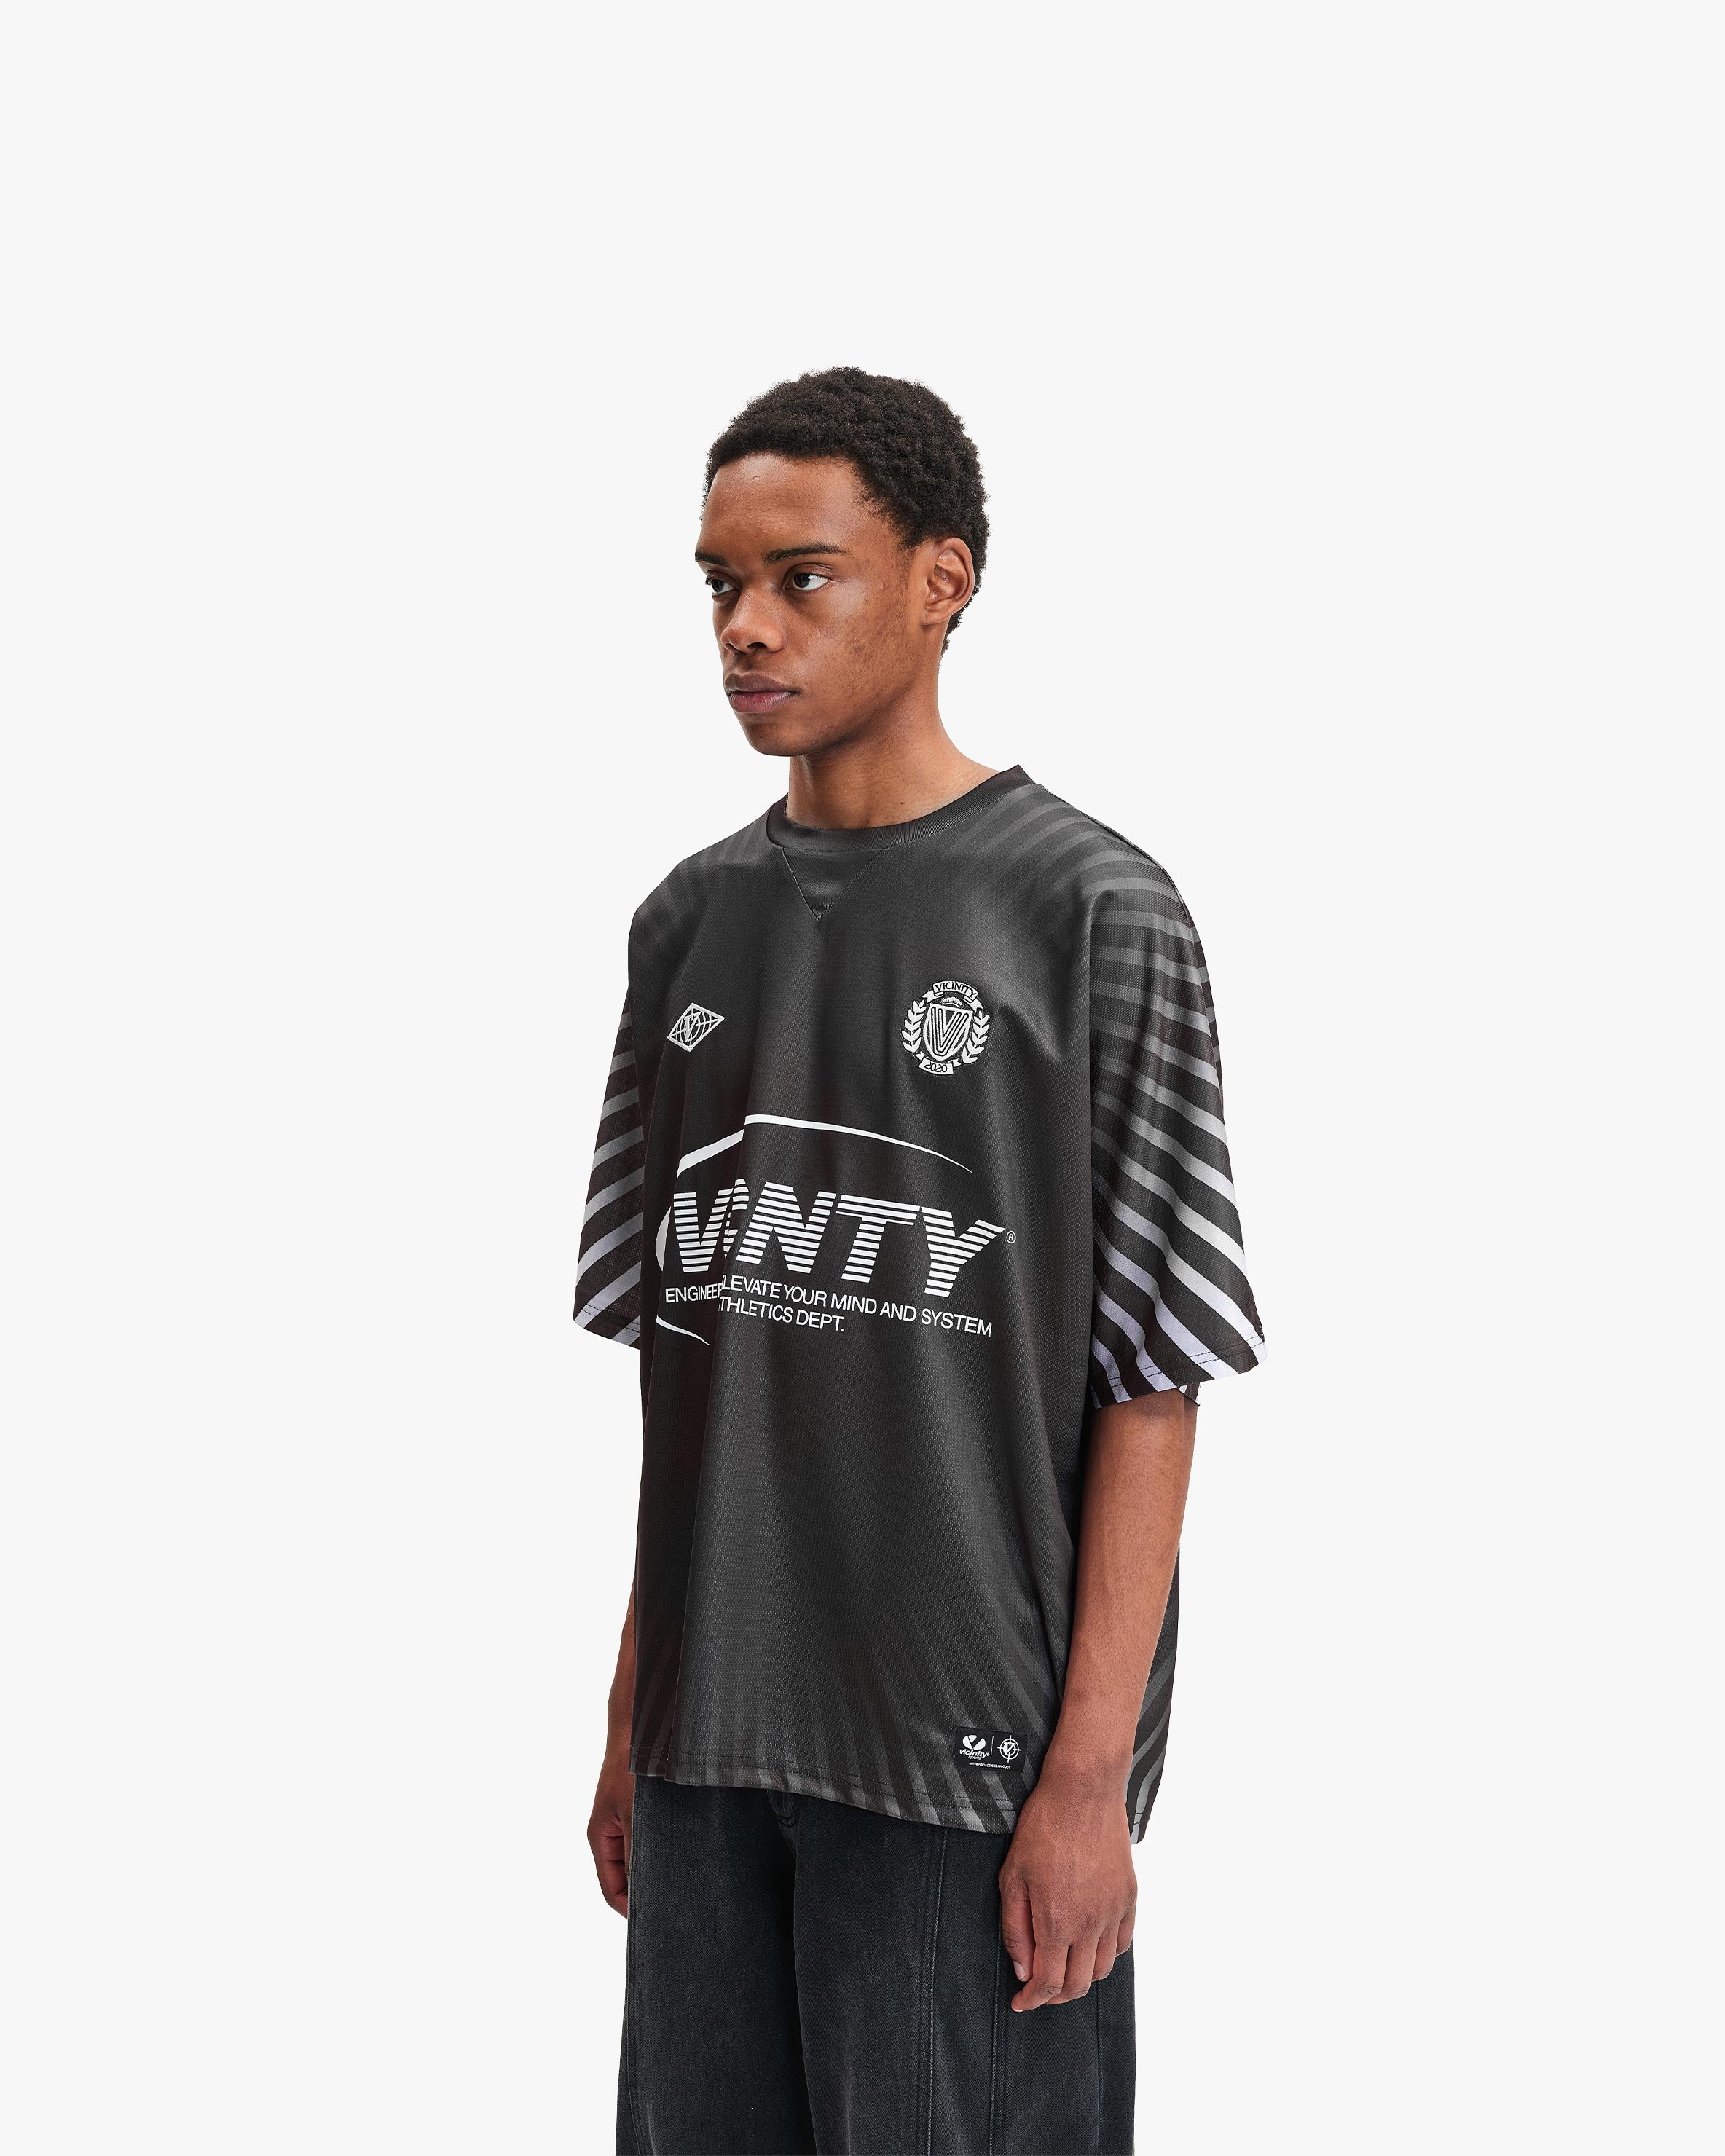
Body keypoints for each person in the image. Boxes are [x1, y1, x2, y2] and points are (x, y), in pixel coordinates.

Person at [573, 366, 1263, 2155]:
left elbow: (1152, 1377)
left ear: (941, 580)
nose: (744, 627)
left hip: (961, 1767)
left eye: (799, 577)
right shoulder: (683, 924)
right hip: (710, 1754)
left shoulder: (1090, 912)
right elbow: (690, 1374)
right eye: (719, 584)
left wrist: (1088, 1781)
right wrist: (635, 1713)